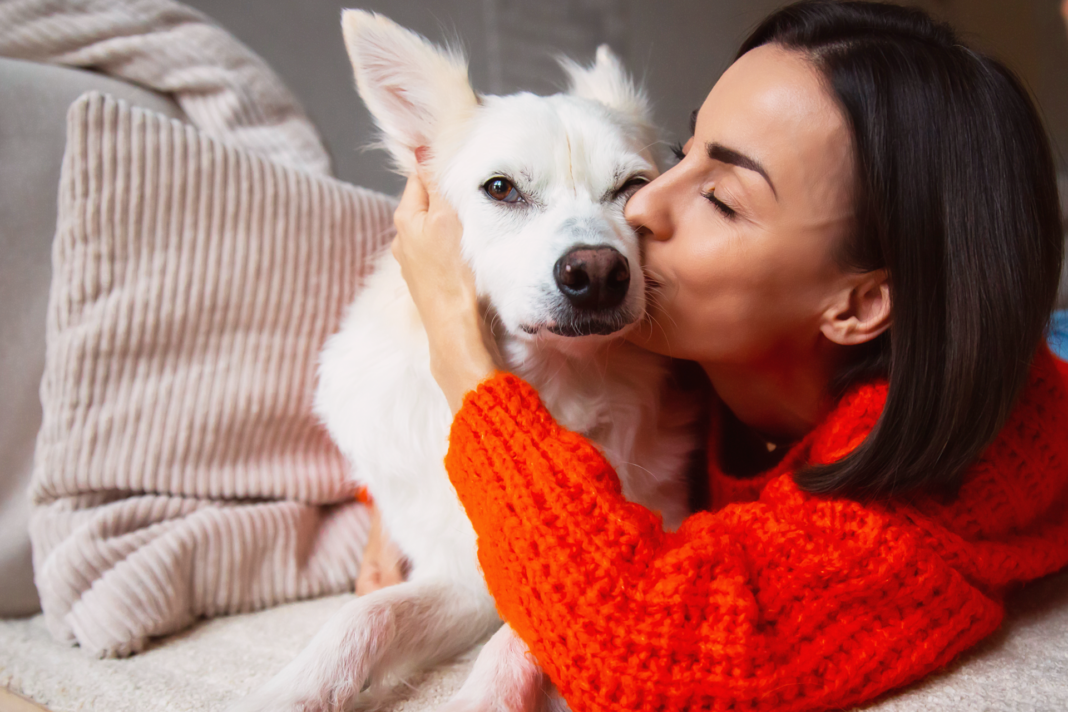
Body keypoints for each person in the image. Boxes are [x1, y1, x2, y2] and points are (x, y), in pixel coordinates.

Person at [367, 1, 1068, 709]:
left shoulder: (919, 514)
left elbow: (637, 644)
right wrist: (395, 498)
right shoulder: (707, 347)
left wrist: (458, 353)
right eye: (678, 156)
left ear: (857, 306)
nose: (637, 212)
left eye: (722, 199)